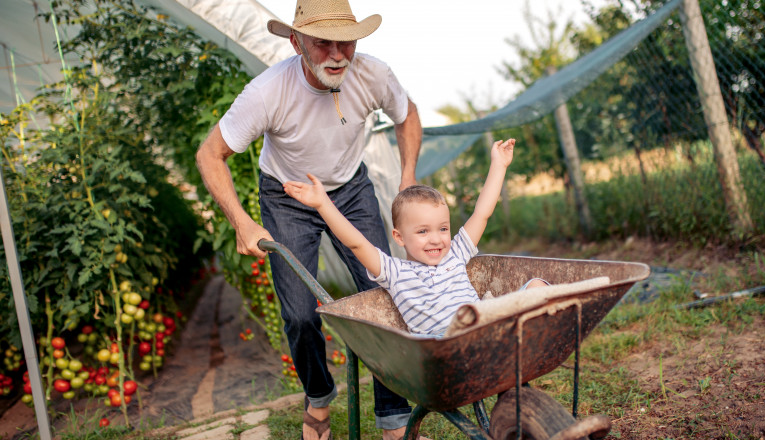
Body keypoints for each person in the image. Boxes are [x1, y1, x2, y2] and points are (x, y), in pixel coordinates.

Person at [195, 0, 424, 438]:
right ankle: (318, 397)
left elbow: (407, 113)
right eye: (323, 44)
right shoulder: (268, 92)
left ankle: (393, 418)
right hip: (287, 197)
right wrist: (242, 222)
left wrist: (407, 176)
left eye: (346, 42)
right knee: (301, 313)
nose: (337, 55)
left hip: (350, 191)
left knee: (383, 294)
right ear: (297, 41)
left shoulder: (374, 74)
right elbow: (210, 154)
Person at [284, 138, 549, 337]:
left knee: (537, 285)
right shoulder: (394, 271)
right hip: (446, 343)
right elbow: (355, 242)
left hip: (484, 326)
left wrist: (499, 166)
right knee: (469, 319)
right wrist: (322, 204)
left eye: (443, 229)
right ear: (399, 237)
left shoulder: (456, 253)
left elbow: (482, 213)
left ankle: (532, 338)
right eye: (422, 231)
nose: (436, 239)